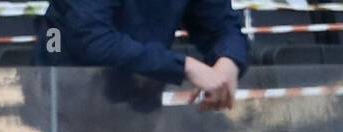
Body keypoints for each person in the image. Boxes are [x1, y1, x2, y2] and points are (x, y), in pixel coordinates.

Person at [37, 0, 249, 110]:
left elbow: (222, 25)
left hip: (138, 112)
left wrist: (229, 60)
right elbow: (92, 41)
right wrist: (184, 66)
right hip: (66, 110)